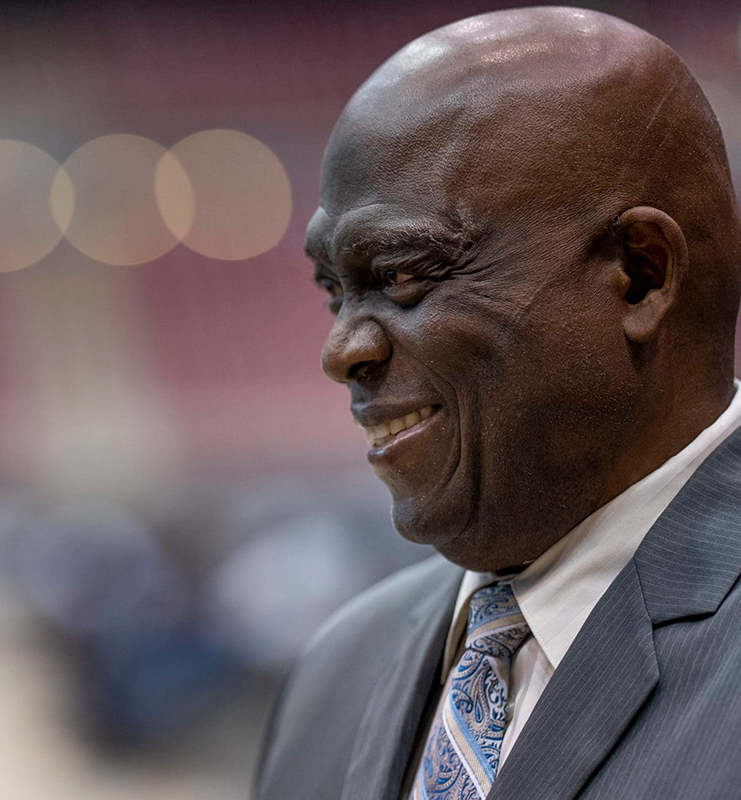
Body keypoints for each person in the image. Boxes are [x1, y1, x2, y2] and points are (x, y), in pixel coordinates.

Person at [253, 7, 741, 800]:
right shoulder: (334, 675)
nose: (342, 352)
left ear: (640, 275)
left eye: (401, 274)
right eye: (335, 292)